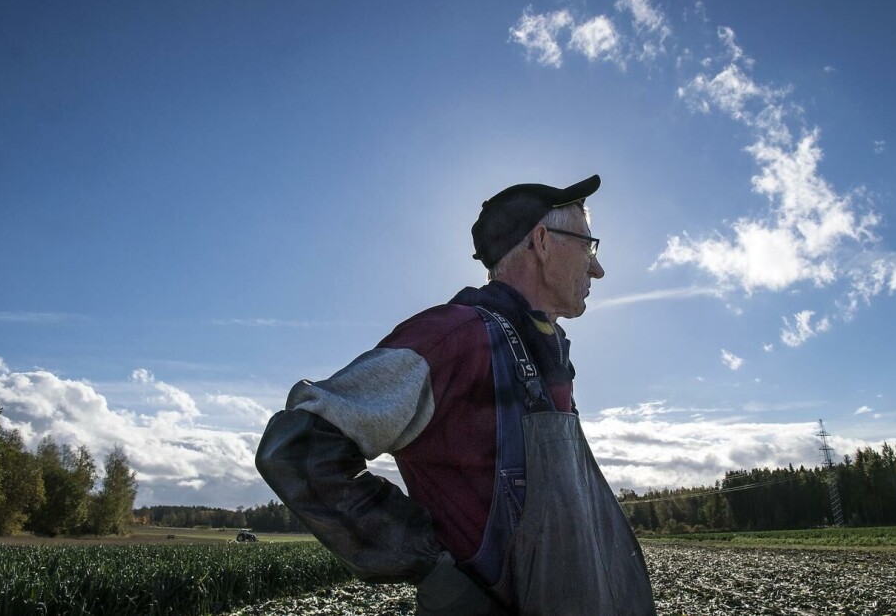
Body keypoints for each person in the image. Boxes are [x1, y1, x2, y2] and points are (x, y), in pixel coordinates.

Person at [256, 175, 656, 615]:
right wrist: (435, 573)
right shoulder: (455, 337)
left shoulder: (546, 357)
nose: (597, 269)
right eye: (588, 246)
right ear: (542, 242)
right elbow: (296, 449)